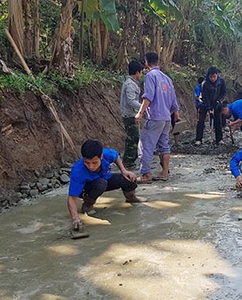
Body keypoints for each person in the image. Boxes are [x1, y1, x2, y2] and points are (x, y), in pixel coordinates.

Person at [67, 140, 145, 230]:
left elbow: (115, 156)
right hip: (87, 188)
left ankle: (131, 198)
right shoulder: (78, 171)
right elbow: (71, 198)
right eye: (87, 163)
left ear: (101, 157)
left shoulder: (107, 154)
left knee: (129, 178)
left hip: (104, 179)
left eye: (94, 162)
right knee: (101, 184)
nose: (91, 166)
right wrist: (75, 218)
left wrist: (124, 171)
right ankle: (87, 205)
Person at [135, 52, 180, 183]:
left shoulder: (150, 76)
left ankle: (146, 174)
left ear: (146, 63)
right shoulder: (166, 78)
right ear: (158, 62)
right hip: (166, 117)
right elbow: (173, 100)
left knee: (145, 145)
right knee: (164, 145)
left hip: (155, 116)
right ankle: (164, 172)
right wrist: (176, 114)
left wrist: (140, 112)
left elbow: (148, 96)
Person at [120, 60, 143, 168]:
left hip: (132, 114)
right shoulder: (130, 85)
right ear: (137, 72)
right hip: (129, 115)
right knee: (133, 138)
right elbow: (130, 101)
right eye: (141, 72)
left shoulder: (132, 84)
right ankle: (128, 162)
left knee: (133, 138)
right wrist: (143, 107)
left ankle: (129, 161)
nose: (141, 75)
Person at [195, 66, 227, 145]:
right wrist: (209, 108)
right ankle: (198, 139)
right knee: (201, 121)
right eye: (211, 77)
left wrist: (218, 100)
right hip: (204, 103)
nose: (212, 79)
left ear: (217, 75)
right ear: (208, 76)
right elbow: (205, 97)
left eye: (214, 77)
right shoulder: (205, 84)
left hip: (217, 103)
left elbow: (223, 92)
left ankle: (219, 139)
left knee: (218, 120)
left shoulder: (221, 82)